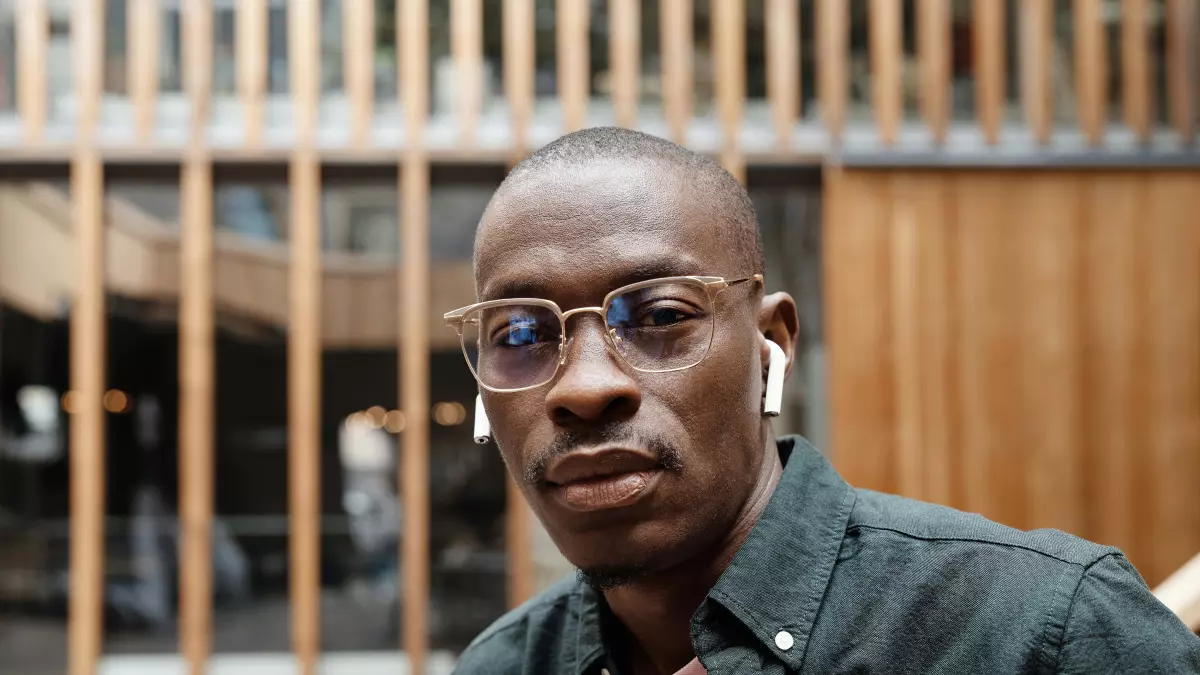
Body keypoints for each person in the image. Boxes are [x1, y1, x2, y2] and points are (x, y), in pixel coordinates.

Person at [446, 127, 1200, 674]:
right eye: (520, 332)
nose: (583, 386)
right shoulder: (501, 665)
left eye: (662, 317)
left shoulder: (1042, 632)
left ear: (772, 342)